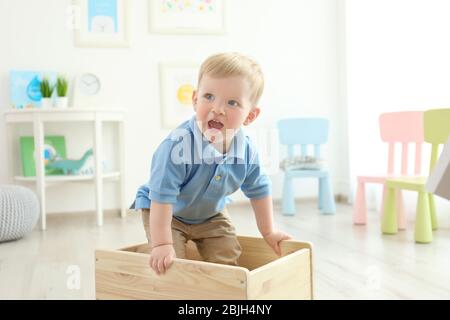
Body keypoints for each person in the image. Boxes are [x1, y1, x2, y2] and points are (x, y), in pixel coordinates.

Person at [132, 52, 291, 275]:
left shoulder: (246, 151)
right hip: (168, 213)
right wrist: (161, 244)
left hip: (211, 214)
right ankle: (150, 249)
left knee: (227, 258)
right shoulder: (177, 146)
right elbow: (162, 198)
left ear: (250, 115)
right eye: (209, 96)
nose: (218, 108)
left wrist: (269, 231)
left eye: (232, 102)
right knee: (170, 263)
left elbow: (259, 189)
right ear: (195, 100)